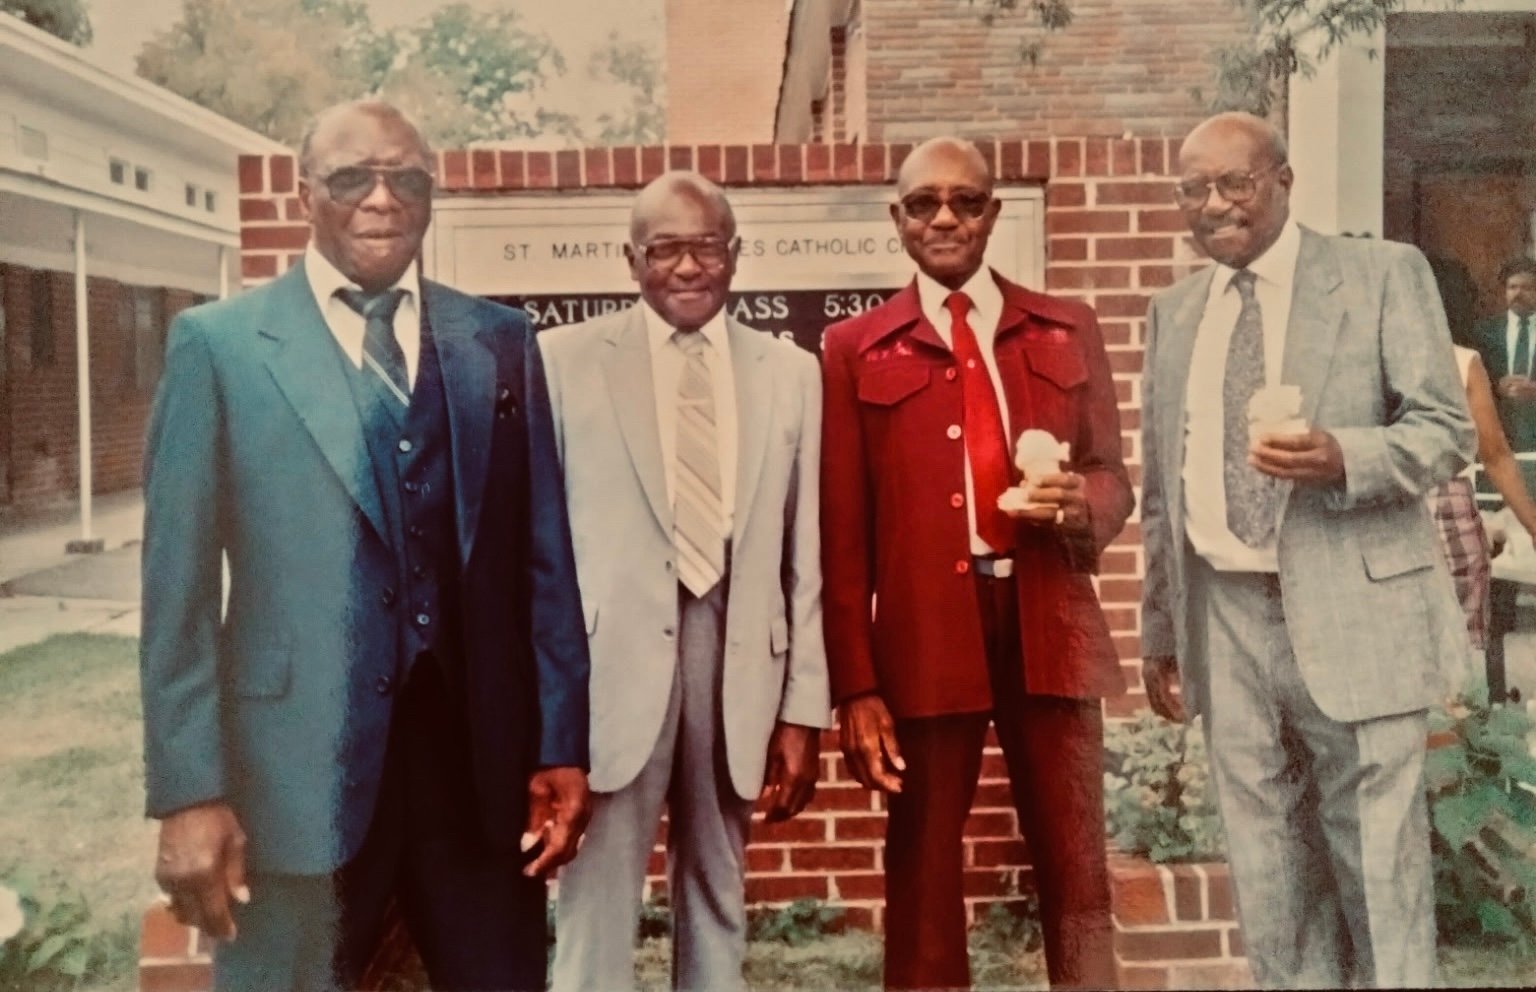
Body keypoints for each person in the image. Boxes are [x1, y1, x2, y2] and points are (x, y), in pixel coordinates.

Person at [140, 99, 591, 992]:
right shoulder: (221, 347)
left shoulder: (499, 341)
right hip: (292, 777)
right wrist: (189, 791)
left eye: (406, 180)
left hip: (474, 775)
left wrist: (558, 742)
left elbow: (543, 561)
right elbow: (176, 594)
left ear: (432, 194)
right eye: (352, 179)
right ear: (305, 193)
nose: (382, 200)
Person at [1140, 111, 1474, 988]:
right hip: (1226, 616)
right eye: (1194, 190)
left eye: (1235, 183)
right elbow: (1162, 488)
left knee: (1379, 870)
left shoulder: (1379, 275)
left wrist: (1344, 456)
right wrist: (1162, 631)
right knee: (1270, 877)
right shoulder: (1175, 313)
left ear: (1284, 181)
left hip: (1356, 608)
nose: (1215, 205)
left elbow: (1446, 430)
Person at [820, 137, 1131, 990]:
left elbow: (1112, 475)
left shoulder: (1065, 325)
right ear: (898, 219)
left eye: (966, 201)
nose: (946, 218)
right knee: (922, 866)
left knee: (1076, 862)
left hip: (1048, 620)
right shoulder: (856, 347)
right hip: (925, 633)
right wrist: (856, 685)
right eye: (925, 204)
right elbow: (841, 533)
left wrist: (1083, 503)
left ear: (993, 213)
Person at [541, 170, 829, 992]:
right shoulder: (563, 362)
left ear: (735, 254)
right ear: (631, 260)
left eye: (707, 247)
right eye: (665, 249)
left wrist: (803, 708)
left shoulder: (790, 373)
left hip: (736, 663)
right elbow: (540, 550)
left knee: (717, 893)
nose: (689, 266)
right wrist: (548, 709)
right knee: (596, 905)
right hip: (609, 672)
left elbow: (805, 554)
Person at [1471, 257, 1536, 457]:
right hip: (1498, 436)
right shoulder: (1484, 332)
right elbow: (1470, 383)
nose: (1518, 294)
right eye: (1512, 287)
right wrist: (1497, 387)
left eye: (1526, 288)